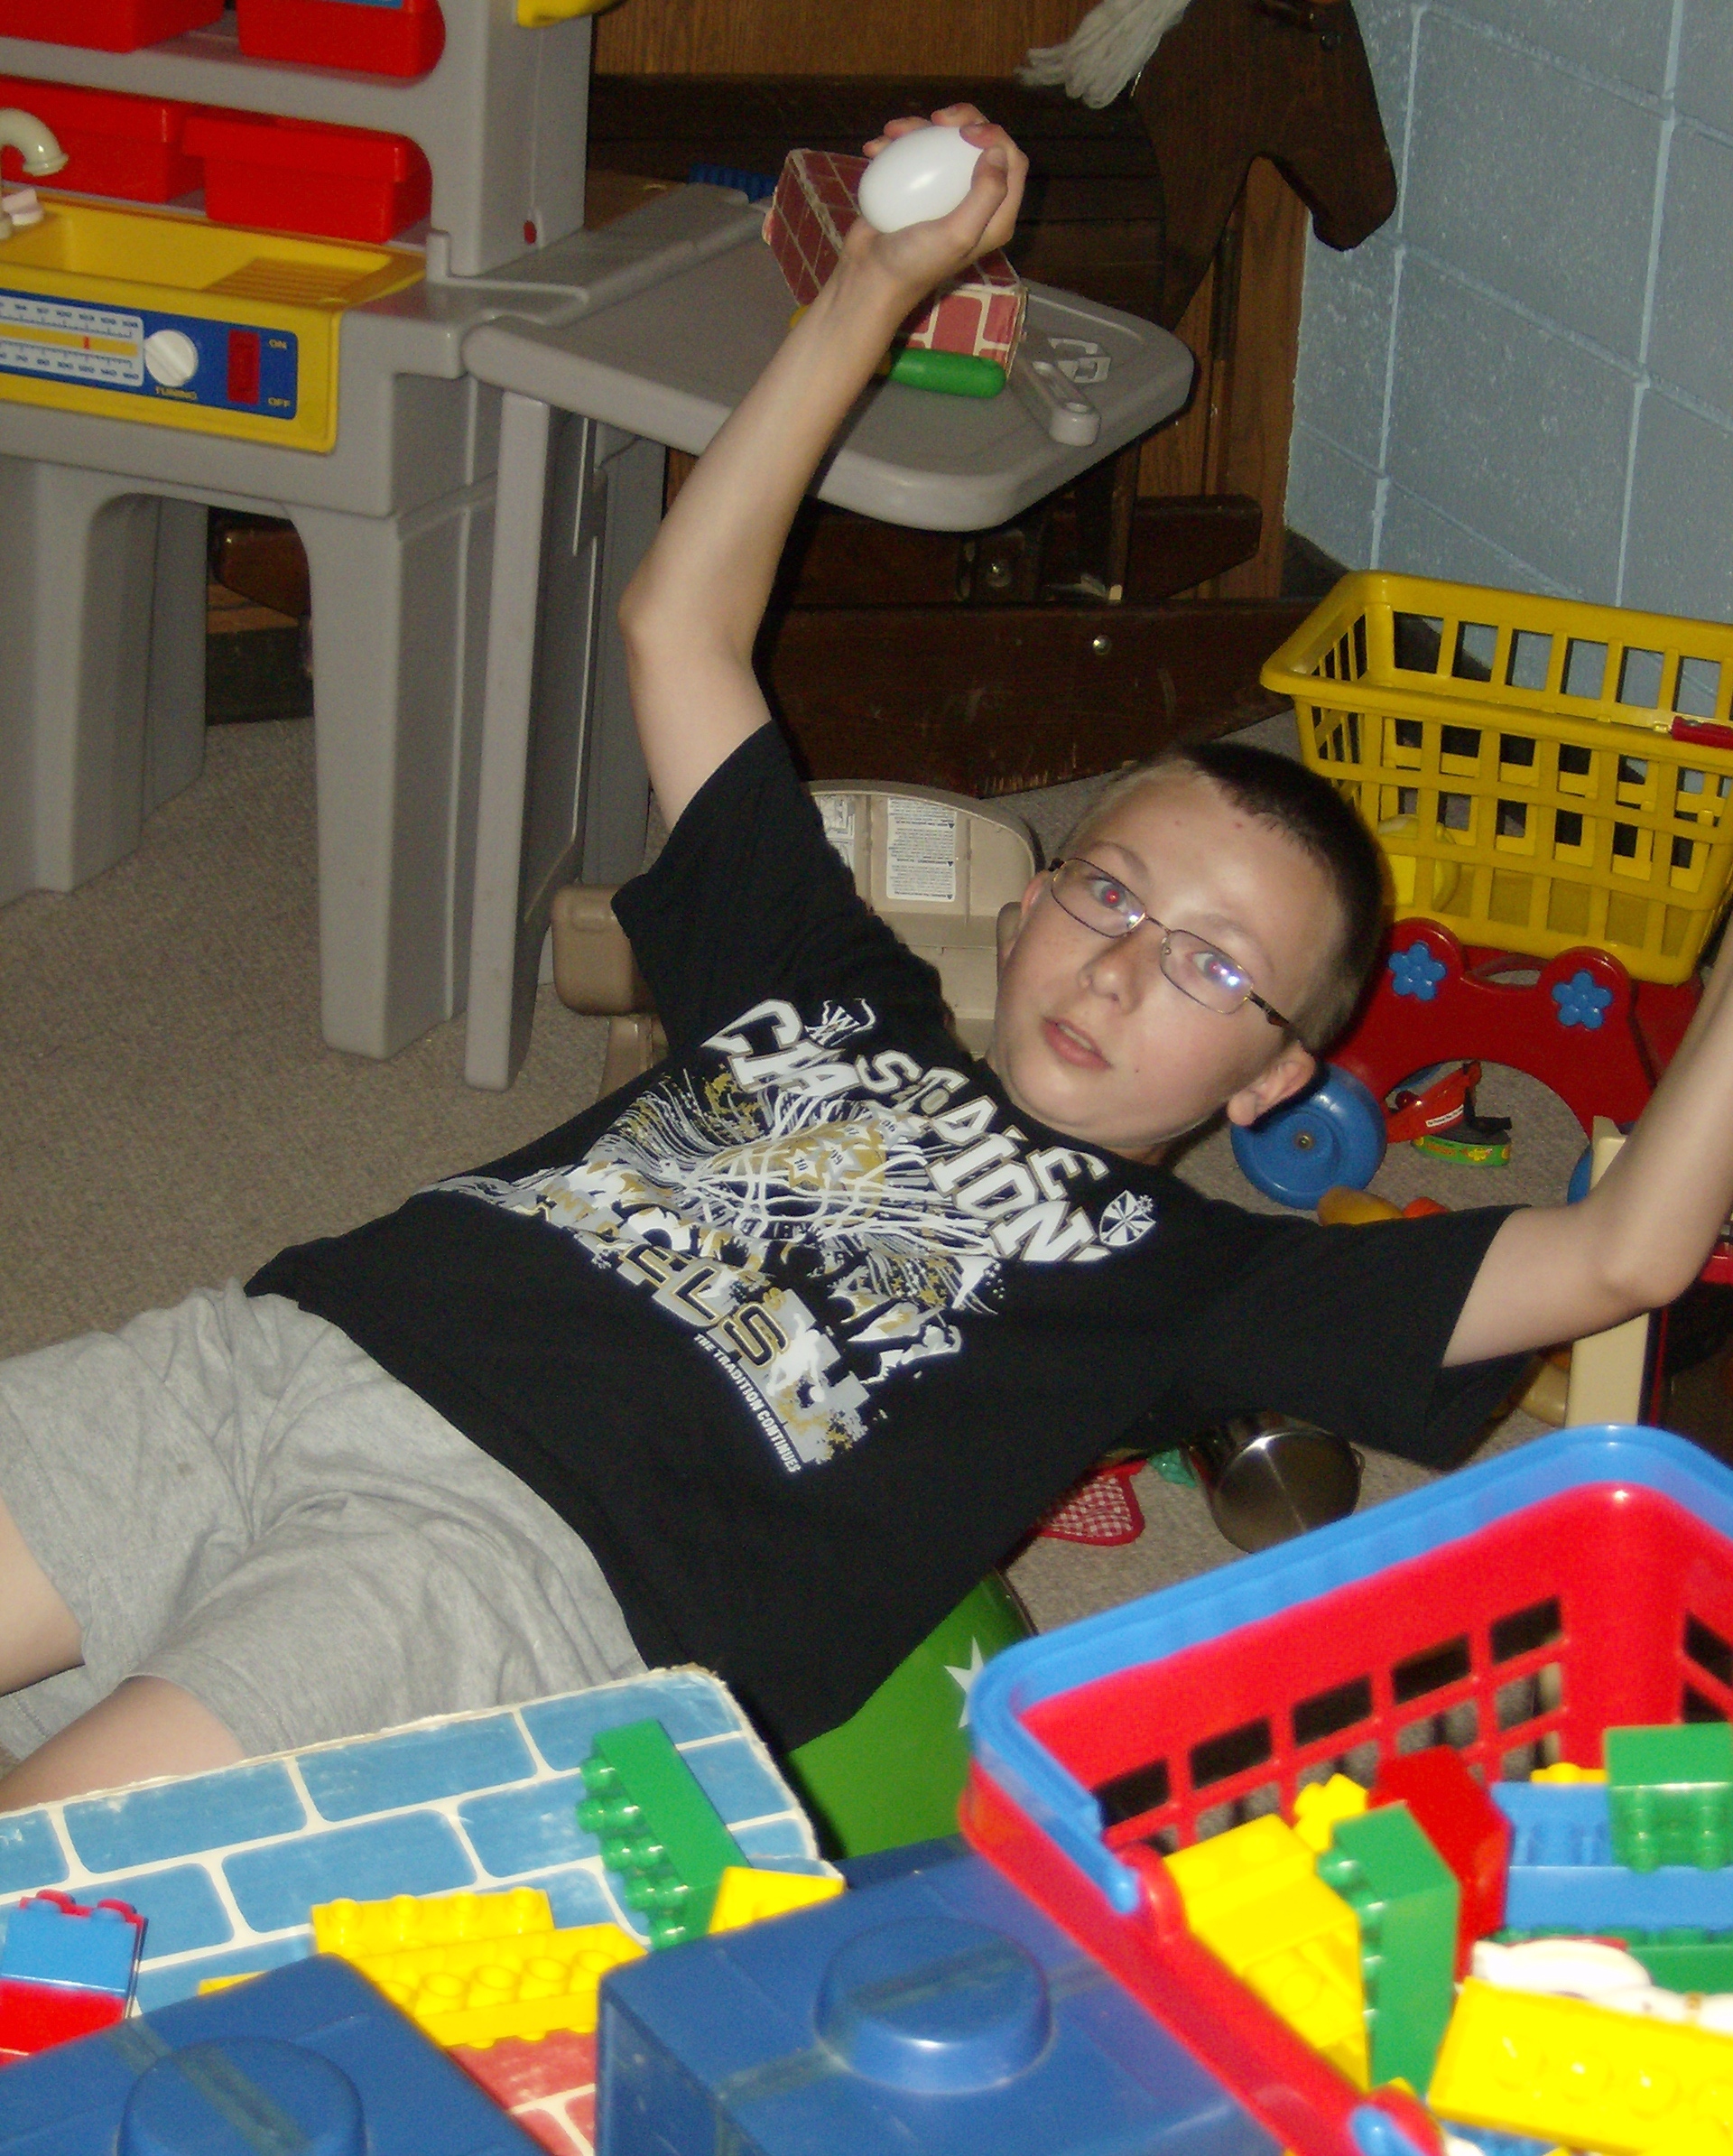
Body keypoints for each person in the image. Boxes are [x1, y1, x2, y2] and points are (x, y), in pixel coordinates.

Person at [2, 108, 1729, 1814]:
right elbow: (681, 622)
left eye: (1215, 971)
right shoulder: (829, 987)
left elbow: (1627, 1252)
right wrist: (875, 288)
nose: (1123, 972)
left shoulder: (1195, 1281)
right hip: (272, 1358)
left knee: (54, 1897)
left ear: (1280, 1075)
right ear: (1029, 903)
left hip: (506, 1556)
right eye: (1112, 897)